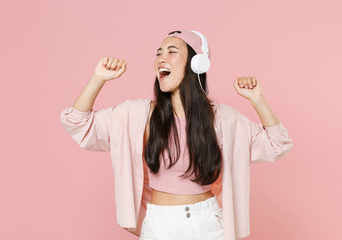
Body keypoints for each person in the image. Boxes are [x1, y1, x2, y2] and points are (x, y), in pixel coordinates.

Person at [60, 30, 293, 240]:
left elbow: (277, 144)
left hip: (209, 224)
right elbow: (79, 123)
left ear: (196, 64)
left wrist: (258, 100)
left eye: (172, 51)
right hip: (161, 226)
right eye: (159, 52)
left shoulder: (223, 119)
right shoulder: (138, 115)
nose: (162, 58)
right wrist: (98, 79)